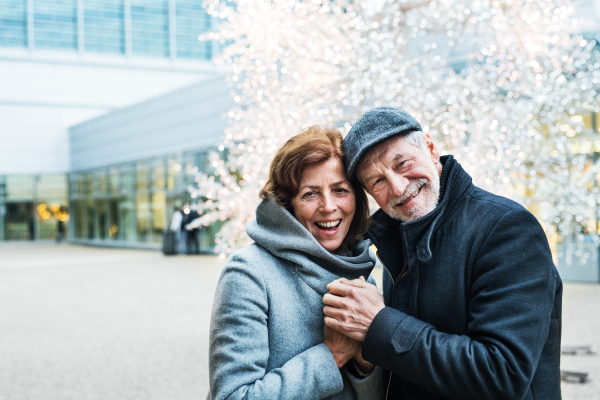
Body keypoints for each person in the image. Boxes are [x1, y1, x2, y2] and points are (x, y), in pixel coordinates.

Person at [322, 107, 562, 400]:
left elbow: (502, 375)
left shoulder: (506, 228)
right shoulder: (398, 238)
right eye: (378, 181)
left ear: (431, 148)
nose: (398, 187)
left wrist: (378, 324)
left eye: (402, 163)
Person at [208, 127, 385, 400]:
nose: (328, 206)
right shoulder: (248, 273)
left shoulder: (361, 273)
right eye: (310, 194)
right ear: (287, 204)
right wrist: (332, 355)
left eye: (340, 190)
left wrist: (365, 363)